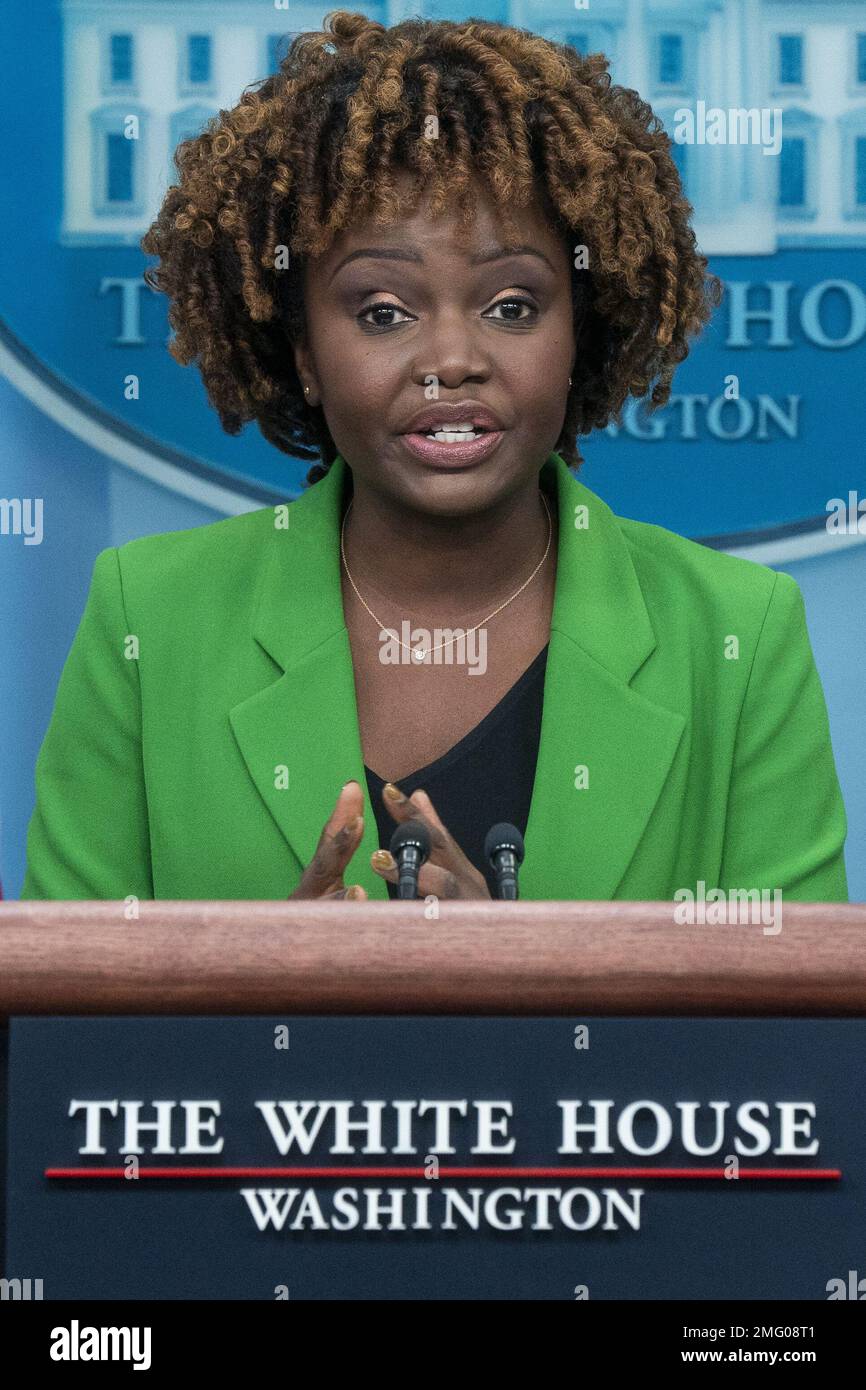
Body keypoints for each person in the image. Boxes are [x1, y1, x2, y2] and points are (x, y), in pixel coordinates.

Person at [20, 11, 848, 903]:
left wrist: (511, 985)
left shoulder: (737, 636)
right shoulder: (146, 619)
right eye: (383, 311)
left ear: (583, 326)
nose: (453, 358)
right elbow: (66, 1031)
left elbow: (797, 1033)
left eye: (513, 305)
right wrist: (261, 992)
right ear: (303, 350)